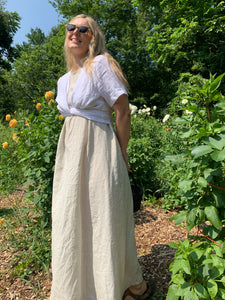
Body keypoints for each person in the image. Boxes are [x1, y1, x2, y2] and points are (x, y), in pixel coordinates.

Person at [50, 14, 153, 300]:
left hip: (99, 149)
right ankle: (80, 289)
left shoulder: (101, 65)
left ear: (93, 37)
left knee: (104, 217)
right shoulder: (63, 79)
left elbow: (122, 111)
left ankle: (128, 286)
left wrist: (121, 153)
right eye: (71, 27)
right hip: (70, 155)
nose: (76, 32)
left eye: (84, 29)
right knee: (71, 217)